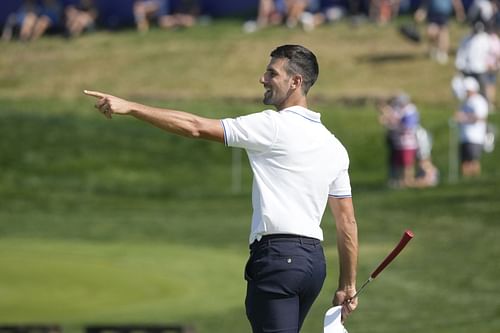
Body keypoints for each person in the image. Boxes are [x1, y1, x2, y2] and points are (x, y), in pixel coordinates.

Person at [84, 44, 359, 333]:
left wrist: (132, 107)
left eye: (271, 73)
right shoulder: (333, 145)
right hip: (313, 265)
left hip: (279, 260)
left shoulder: (273, 126)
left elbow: (194, 127)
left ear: (296, 82)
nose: (262, 79)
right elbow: (347, 223)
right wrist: (347, 285)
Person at [454, 77, 489, 178]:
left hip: (475, 136)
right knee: (464, 161)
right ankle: (466, 180)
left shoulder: (479, 101)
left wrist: (464, 117)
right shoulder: (465, 102)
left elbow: (481, 118)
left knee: (473, 160)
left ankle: (475, 179)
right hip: (464, 136)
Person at [414, 0, 465, 64]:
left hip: (444, 12)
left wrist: (459, 11)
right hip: (432, 13)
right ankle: (435, 49)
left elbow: (456, 1)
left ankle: (443, 53)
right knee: (431, 32)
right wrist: (422, 10)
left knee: (443, 32)